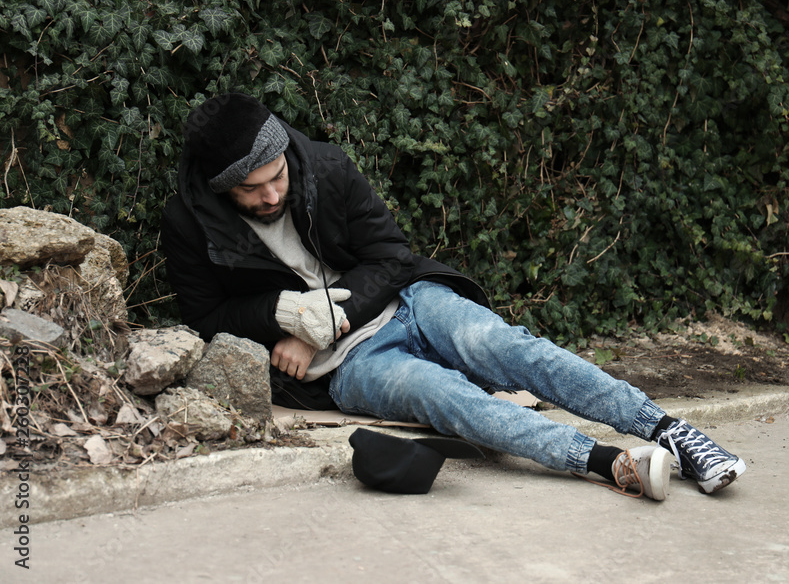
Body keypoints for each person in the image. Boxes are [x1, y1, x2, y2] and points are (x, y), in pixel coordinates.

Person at [160, 92, 747, 499]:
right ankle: (610, 464)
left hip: (407, 303)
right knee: (447, 398)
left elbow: (391, 255)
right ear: (220, 188)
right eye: (250, 190)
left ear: (285, 152)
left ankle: (669, 430)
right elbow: (205, 317)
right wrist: (283, 315)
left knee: (507, 346)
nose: (270, 196)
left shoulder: (325, 168)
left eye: (277, 177)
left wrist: (330, 311)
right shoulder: (189, 225)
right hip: (346, 366)